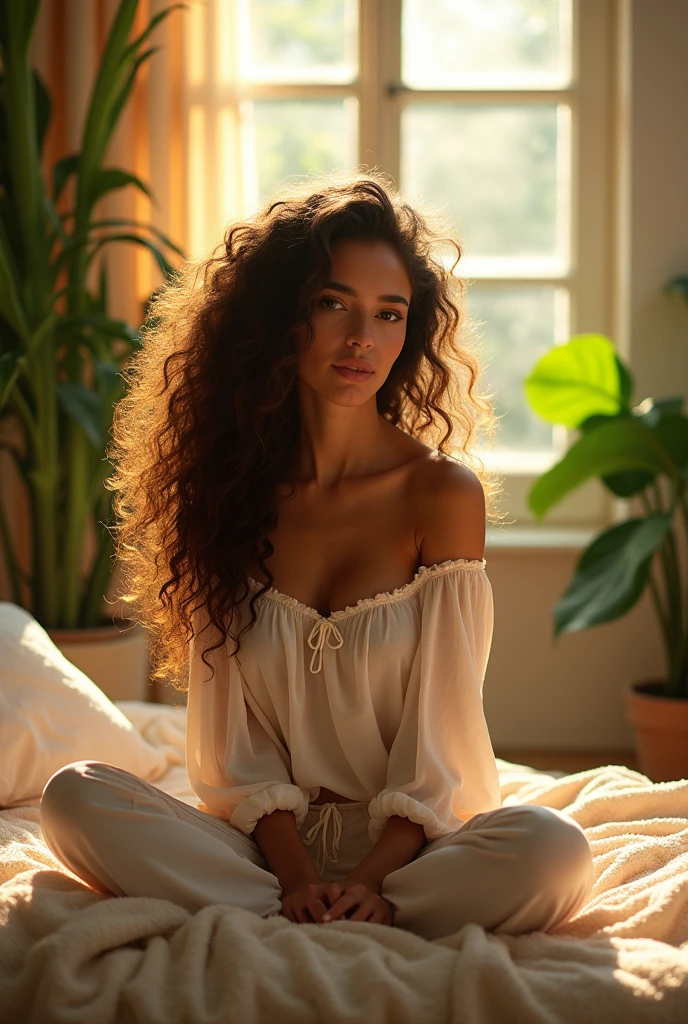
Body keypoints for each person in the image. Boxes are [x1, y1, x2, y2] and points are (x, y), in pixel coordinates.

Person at [40, 171, 594, 941]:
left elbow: (442, 744)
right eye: (333, 303)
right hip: (264, 851)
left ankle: (364, 912)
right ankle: (300, 913)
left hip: (411, 848)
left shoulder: (441, 496)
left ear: (410, 333)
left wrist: (371, 882)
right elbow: (237, 751)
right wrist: (296, 879)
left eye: (389, 313)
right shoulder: (226, 498)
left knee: (553, 851)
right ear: (278, 317)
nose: (362, 337)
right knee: (74, 798)